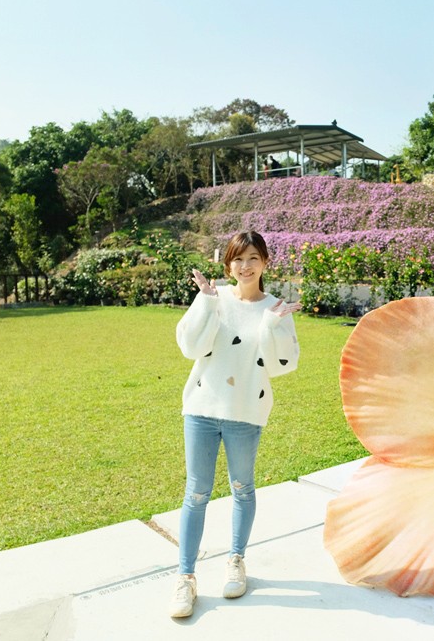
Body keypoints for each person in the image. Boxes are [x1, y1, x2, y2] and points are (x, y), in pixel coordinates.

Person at [169, 231, 301, 618]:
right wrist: (207, 304)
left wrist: (272, 326)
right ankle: (185, 577)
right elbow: (190, 347)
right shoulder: (214, 297)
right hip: (201, 409)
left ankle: (236, 560)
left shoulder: (276, 307)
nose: (245, 266)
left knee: (242, 488)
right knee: (196, 493)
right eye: (238, 259)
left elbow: (283, 365)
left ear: (265, 263)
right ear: (228, 264)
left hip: (246, 413)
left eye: (253, 258)